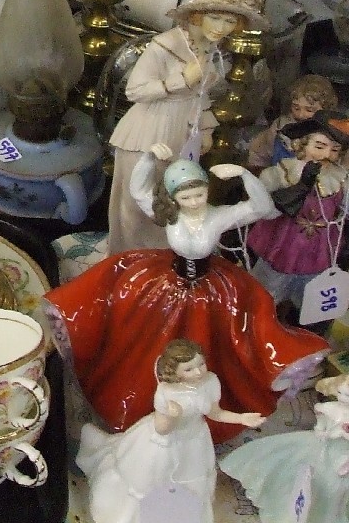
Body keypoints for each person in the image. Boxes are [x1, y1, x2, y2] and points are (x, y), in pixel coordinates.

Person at [44, 143, 329, 444]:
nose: (194, 202)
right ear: (174, 198)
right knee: (136, 327)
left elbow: (262, 208)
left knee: (223, 338)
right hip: (167, 282)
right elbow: (138, 189)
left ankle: (215, 396)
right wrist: (148, 158)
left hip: (211, 287)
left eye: (199, 194)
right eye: (185, 196)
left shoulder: (218, 216)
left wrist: (244, 174)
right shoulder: (171, 216)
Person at [108, 0, 268, 254]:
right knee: (138, 201)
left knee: (174, 196)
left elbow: (200, 94)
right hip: (150, 128)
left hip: (183, 131)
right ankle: (129, 256)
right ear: (197, 15)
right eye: (214, 17)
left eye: (229, 21)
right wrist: (181, 79)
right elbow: (135, 90)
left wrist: (205, 129)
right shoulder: (164, 45)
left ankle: (164, 254)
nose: (221, 27)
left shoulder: (209, 47)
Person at [79, 339, 265, 523]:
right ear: (175, 372)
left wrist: (241, 418)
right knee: (150, 483)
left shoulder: (210, 381)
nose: (199, 371)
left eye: (201, 364)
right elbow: (161, 430)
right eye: (189, 369)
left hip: (195, 440)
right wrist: (170, 416)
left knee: (192, 484)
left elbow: (215, 413)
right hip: (164, 445)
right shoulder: (166, 392)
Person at [247, 111, 349, 319]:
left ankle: (301, 327)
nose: (326, 155)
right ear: (302, 145)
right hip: (282, 247)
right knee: (264, 295)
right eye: (319, 146)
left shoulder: (340, 179)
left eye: (334, 150)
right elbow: (265, 195)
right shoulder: (286, 171)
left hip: (317, 253)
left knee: (309, 302)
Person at [219, 373, 349, 523]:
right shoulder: (329, 408)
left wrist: (340, 433)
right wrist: (323, 430)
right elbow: (321, 424)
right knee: (311, 477)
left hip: (343, 452)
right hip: (326, 447)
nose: (344, 398)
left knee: (335, 487)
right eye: (340, 393)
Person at [246, 73, 338, 173]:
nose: (301, 115)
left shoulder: (335, 134)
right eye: (296, 108)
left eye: (309, 110)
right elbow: (259, 152)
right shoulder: (280, 127)